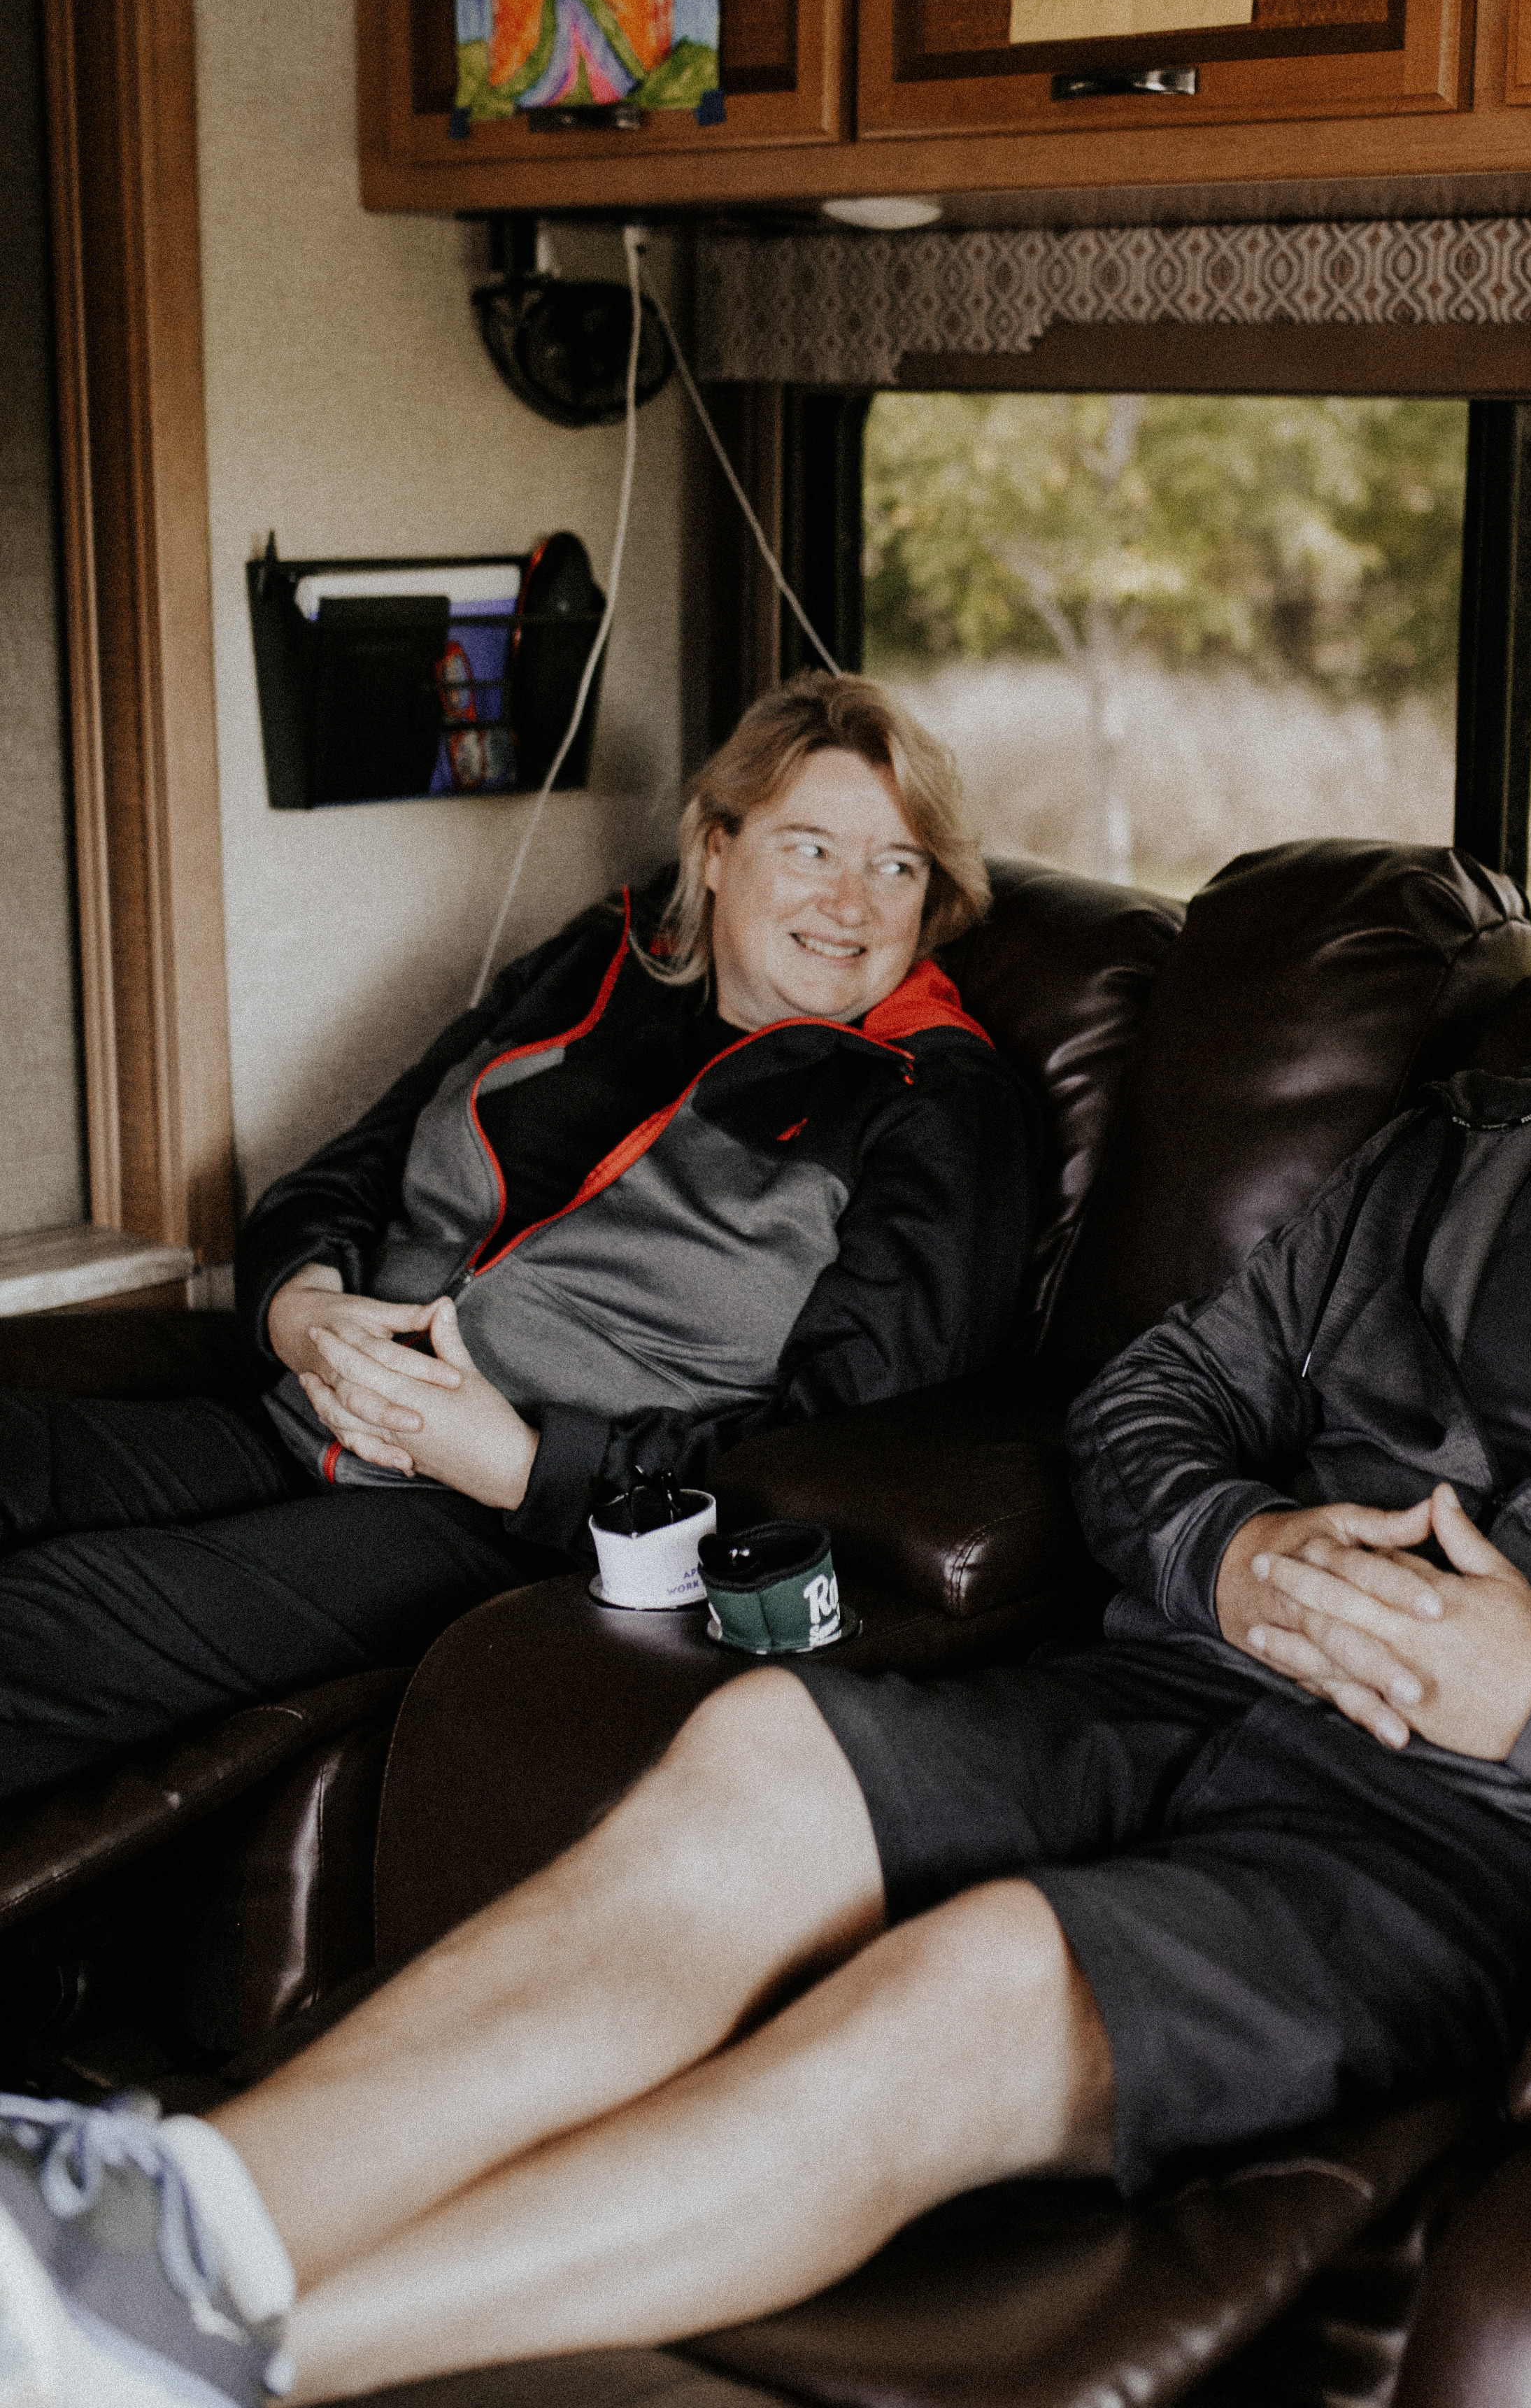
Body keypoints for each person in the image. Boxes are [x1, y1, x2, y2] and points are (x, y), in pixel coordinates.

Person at [0, 711, 1531, 2408]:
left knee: (987, 1977)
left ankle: (207, 2362)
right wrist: (1239, 1543)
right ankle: (182, 2211)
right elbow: (1146, 1408)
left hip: (1494, 1847)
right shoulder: (1454, 1157)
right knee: (758, 1746)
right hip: (1190, 1679)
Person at [0, 670, 1036, 1802]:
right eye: (813, 848)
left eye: (899, 865)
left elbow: (849, 1456)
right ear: (716, 849)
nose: (855, 902)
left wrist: (528, 1466)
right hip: (308, 1415)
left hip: (504, 1526)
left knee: (41, 1627)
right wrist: (302, 1310)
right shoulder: (608, 961)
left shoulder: (933, 1101)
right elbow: (353, 1166)